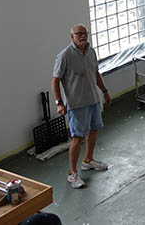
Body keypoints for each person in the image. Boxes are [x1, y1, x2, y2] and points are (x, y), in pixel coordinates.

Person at [52, 24, 111, 189]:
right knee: (77, 138)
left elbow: (95, 73)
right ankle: (72, 173)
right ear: (72, 37)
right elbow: (55, 80)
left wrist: (105, 91)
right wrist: (59, 103)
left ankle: (88, 161)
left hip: (93, 100)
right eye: (79, 34)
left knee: (93, 131)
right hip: (77, 104)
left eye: (85, 33)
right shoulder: (64, 56)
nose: (83, 36)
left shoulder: (91, 52)